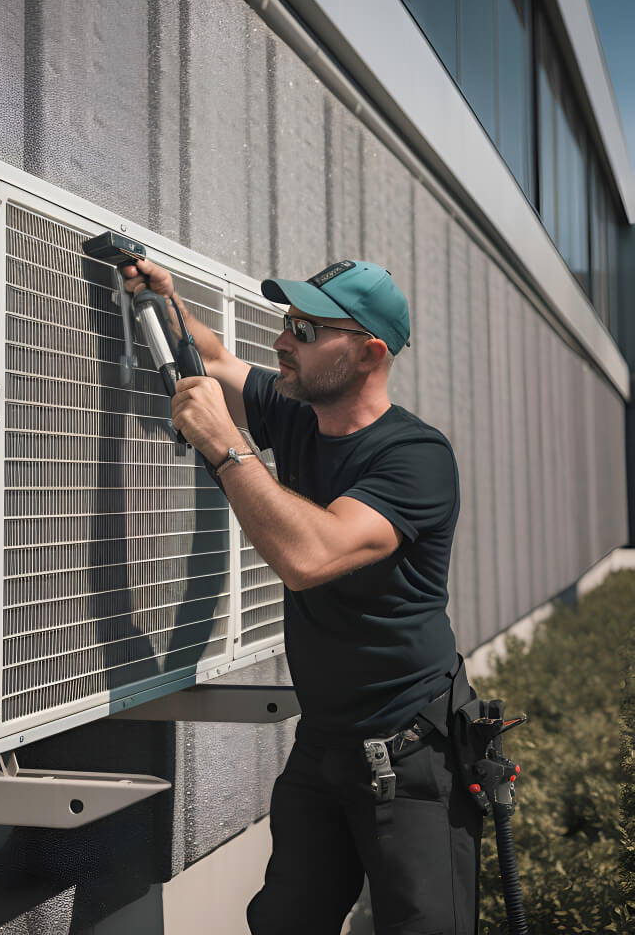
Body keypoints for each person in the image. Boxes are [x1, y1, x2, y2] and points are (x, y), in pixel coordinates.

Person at [122, 257, 480, 935]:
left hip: (411, 751)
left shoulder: (415, 458)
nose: (284, 341)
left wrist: (228, 446)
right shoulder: (297, 412)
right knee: (286, 920)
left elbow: (310, 556)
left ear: (370, 352)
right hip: (326, 744)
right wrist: (167, 302)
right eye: (287, 323)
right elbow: (218, 357)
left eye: (308, 330)